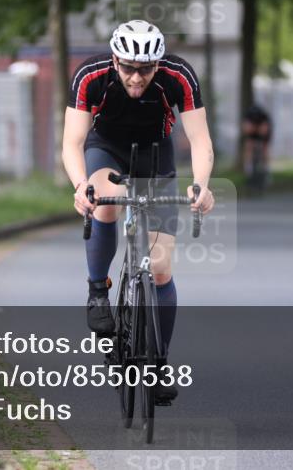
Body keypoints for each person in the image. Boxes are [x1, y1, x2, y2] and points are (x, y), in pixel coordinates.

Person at [62, 20, 215, 404]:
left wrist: (201, 184)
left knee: (160, 267)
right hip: (106, 149)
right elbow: (72, 142)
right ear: (115, 60)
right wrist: (81, 186)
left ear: (158, 64)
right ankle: (98, 289)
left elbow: (200, 140)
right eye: (128, 67)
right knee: (106, 200)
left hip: (155, 155)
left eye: (145, 69)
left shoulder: (178, 76)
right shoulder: (91, 75)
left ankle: (158, 364)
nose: (135, 77)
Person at [241, 103, 272, 182]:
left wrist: (261, 131)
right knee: (249, 146)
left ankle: (266, 169)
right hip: (252, 133)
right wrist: (251, 130)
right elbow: (246, 129)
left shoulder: (264, 118)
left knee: (265, 148)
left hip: (264, 132)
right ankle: (248, 169)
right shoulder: (248, 117)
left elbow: (266, 131)